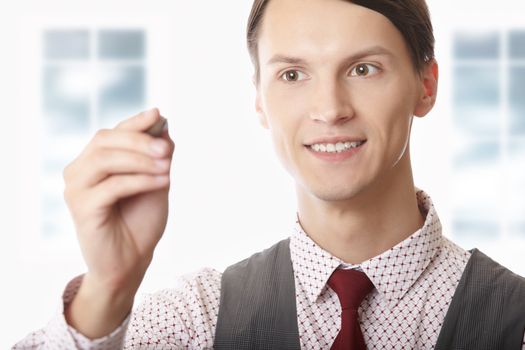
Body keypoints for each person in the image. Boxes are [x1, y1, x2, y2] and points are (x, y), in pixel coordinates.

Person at [13, 0, 525, 349]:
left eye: (363, 68)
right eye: (293, 74)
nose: (329, 108)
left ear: (425, 86)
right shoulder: (193, 322)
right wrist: (108, 286)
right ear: (260, 100)